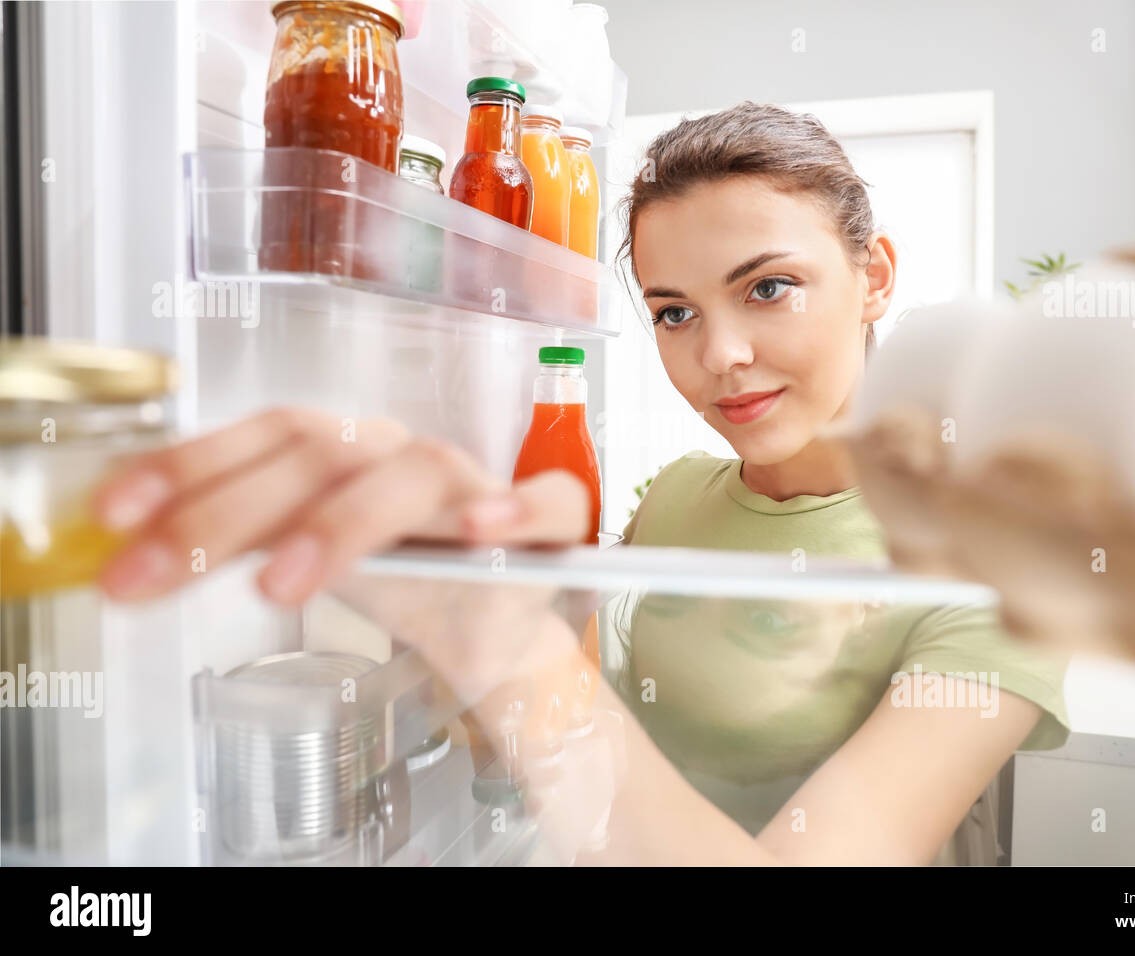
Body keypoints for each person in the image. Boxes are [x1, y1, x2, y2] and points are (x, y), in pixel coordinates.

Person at [92, 103, 1068, 864]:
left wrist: (519, 655)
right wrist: (469, 635)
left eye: (767, 286)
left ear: (876, 275)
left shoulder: (989, 566)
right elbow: (596, 754)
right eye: (673, 311)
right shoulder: (672, 493)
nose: (719, 355)